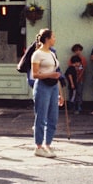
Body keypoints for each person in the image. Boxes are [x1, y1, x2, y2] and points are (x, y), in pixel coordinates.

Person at [31, 28, 63, 157]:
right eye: (53, 37)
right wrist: (51, 75)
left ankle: (47, 144)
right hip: (43, 86)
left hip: (54, 86)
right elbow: (35, 74)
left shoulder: (52, 53)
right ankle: (38, 146)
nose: (55, 39)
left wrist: (60, 93)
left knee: (53, 117)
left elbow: (57, 74)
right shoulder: (37, 54)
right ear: (47, 39)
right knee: (41, 116)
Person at [66, 43, 85, 114]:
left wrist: (79, 78)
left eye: (79, 50)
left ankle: (79, 106)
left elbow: (83, 69)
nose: (78, 52)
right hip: (73, 80)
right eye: (76, 50)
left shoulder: (83, 59)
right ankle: (72, 107)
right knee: (72, 93)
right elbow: (70, 70)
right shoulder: (72, 59)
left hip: (80, 80)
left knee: (79, 93)